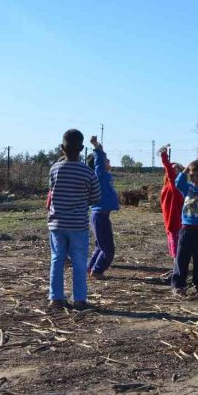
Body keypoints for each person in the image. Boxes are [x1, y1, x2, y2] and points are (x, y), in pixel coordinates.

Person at [47, 129, 101, 311]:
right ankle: (79, 299)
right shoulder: (88, 172)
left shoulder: (54, 169)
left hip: (57, 223)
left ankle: (56, 298)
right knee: (79, 262)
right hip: (78, 224)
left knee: (57, 259)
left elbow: (51, 190)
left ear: (62, 148)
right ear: (82, 148)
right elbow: (96, 197)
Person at [171, 158, 198, 297]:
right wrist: (185, 170)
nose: (195, 179)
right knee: (181, 258)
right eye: (192, 175)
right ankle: (179, 285)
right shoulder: (188, 188)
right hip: (187, 228)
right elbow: (178, 182)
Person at [86, 136, 120, 280]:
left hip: (101, 215)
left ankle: (90, 268)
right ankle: (98, 271)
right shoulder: (99, 175)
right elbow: (99, 160)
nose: (109, 161)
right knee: (108, 249)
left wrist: (101, 149)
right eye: (107, 159)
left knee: (101, 245)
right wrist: (96, 147)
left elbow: (101, 160)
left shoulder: (104, 176)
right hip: (99, 215)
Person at [159, 145, 185, 259]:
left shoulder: (176, 186)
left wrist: (165, 158)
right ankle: (176, 263)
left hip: (176, 220)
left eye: (177, 170)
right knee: (172, 241)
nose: (173, 170)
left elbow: (170, 173)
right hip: (169, 220)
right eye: (172, 168)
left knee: (175, 243)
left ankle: (177, 263)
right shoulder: (167, 187)